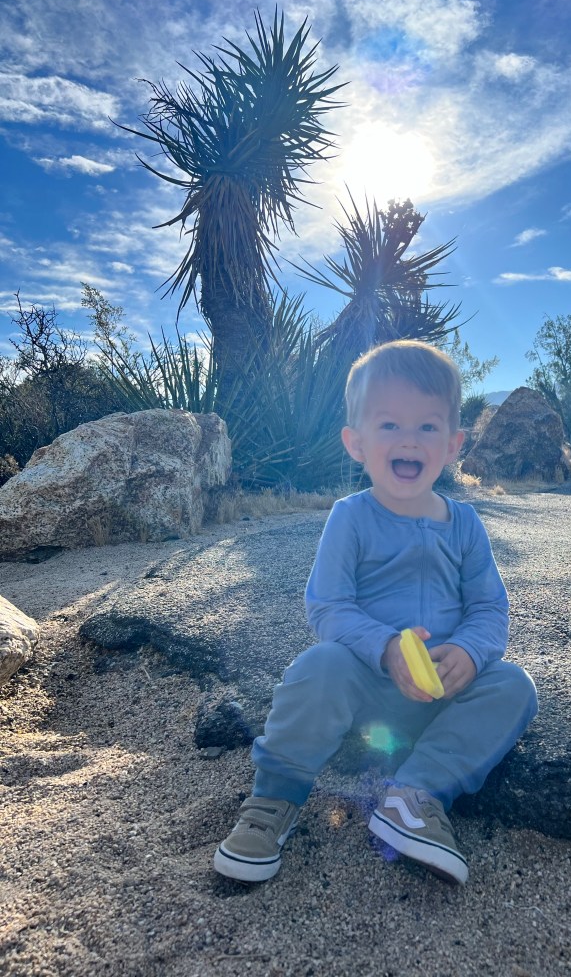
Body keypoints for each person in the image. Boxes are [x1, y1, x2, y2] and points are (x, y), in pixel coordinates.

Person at [213, 340, 538, 885]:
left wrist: (468, 652)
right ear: (356, 442)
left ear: (453, 444)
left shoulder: (465, 525)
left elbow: (489, 608)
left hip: (444, 695)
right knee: (319, 665)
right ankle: (272, 802)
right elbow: (328, 606)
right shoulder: (351, 517)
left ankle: (414, 797)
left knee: (514, 686)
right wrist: (386, 648)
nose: (409, 439)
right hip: (364, 691)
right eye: (389, 424)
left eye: (427, 426)